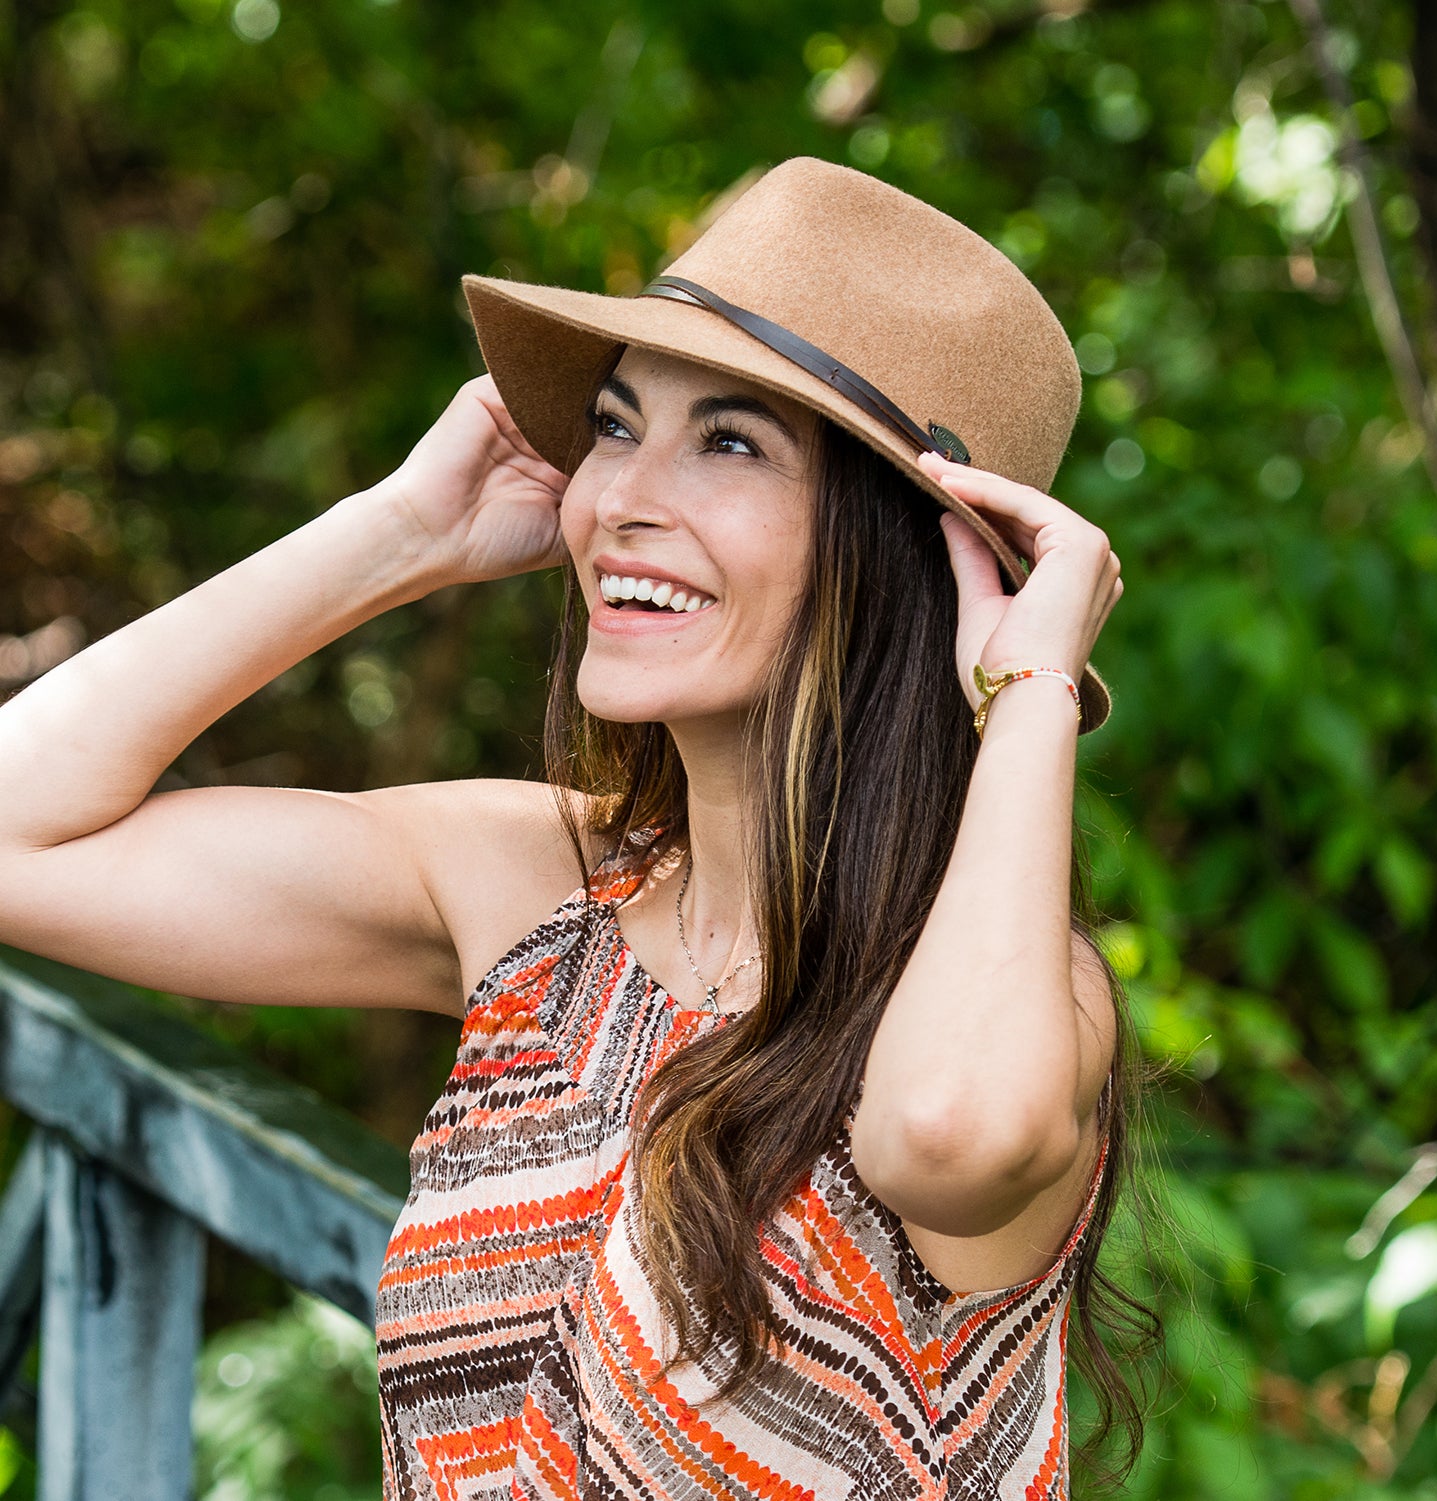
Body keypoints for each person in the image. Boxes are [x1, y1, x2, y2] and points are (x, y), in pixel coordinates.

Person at [0, 156, 1156, 1498]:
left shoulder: (1007, 1001)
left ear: (916, 547)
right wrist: (397, 534)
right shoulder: (539, 893)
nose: (616, 498)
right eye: (614, 426)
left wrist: (1029, 692)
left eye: (729, 441)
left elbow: (948, 1129)